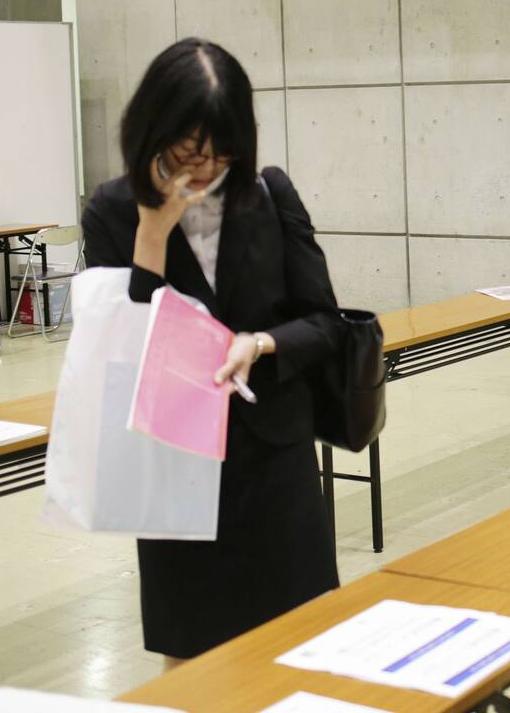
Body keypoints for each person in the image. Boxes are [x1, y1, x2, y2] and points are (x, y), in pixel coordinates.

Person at [81, 38, 343, 667]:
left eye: (221, 152)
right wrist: (154, 231)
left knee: (302, 641)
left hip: (273, 456)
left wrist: (261, 342)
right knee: (193, 656)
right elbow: (128, 346)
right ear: (153, 130)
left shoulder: (268, 194)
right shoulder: (113, 212)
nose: (204, 168)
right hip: (175, 464)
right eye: (187, 152)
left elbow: (327, 323)